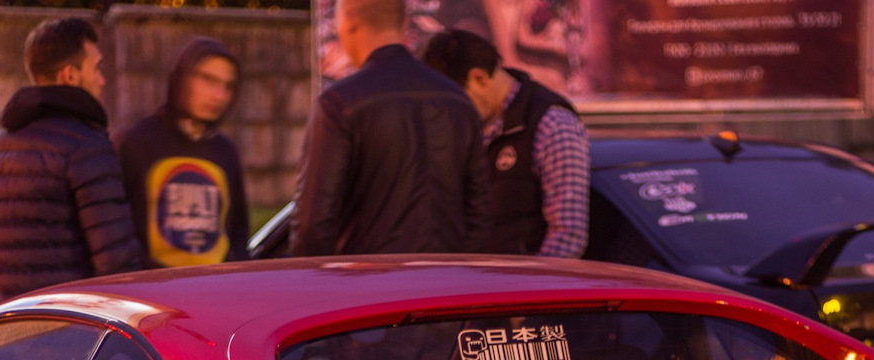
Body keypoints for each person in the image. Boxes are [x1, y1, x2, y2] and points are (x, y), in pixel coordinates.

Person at [290, 0, 488, 256]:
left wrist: (321, 287)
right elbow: (479, 212)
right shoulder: (458, 101)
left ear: (347, 24)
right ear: (404, 24)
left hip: (369, 286)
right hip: (446, 283)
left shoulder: (340, 103)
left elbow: (312, 224)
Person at [0, 16, 144, 299]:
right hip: (73, 328)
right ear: (70, 76)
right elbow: (116, 262)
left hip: (10, 324)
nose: (102, 81)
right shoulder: (85, 146)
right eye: (96, 69)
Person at [421, 28, 588, 257]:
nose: (452, 111)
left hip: (521, 287)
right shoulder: (468, 126)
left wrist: (536, 289)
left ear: (478, 78)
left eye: (456, 99)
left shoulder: (551, 123)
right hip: (470, 281)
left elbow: (568, 234)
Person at [115, 38, 250, 268]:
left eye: (228, 86)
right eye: (208, 80)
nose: (219, 95)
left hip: (214, 290)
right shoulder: (134, 143)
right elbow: (114, 232)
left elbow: (238, 230)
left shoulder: (225, 150)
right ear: (181, 78)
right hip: (152, 292)